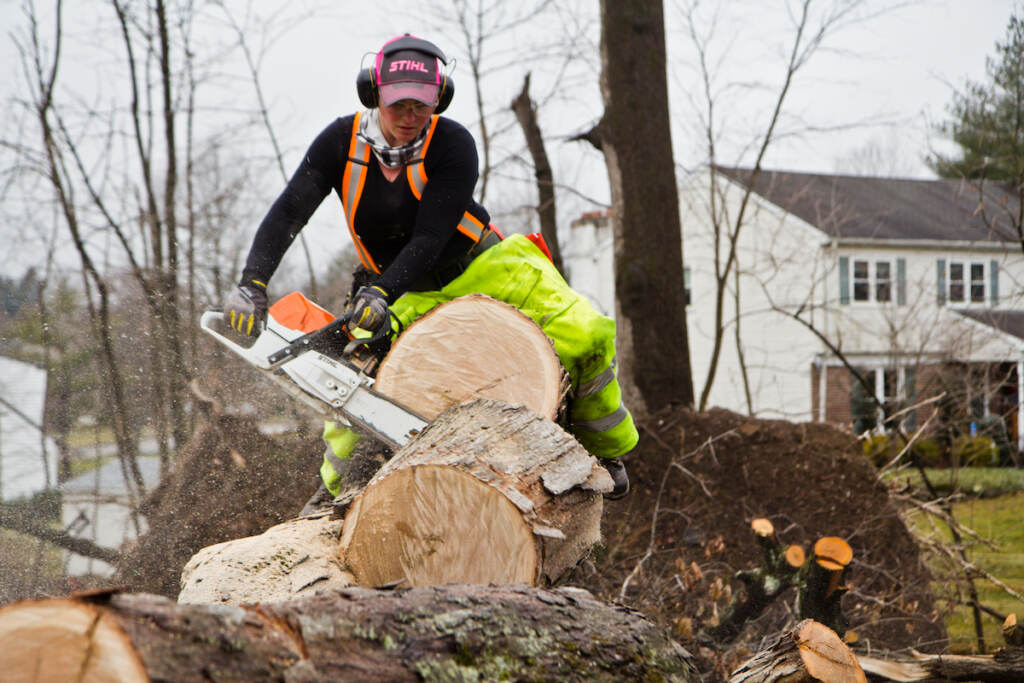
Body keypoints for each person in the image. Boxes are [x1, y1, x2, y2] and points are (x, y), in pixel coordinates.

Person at [224, 34, 637, 504]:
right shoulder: (339, 143)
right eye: (397, 105)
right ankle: (338, 496)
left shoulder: (453, 144)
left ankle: (606, 450)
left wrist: (381, 292)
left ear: (439, 99)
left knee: (584, 330)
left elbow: (429, 236)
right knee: (349, 386)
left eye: (421, 106)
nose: (409, 117)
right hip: (404, 289)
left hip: (485, 265)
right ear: (373, 93)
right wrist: (251, 285)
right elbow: (288, 213)